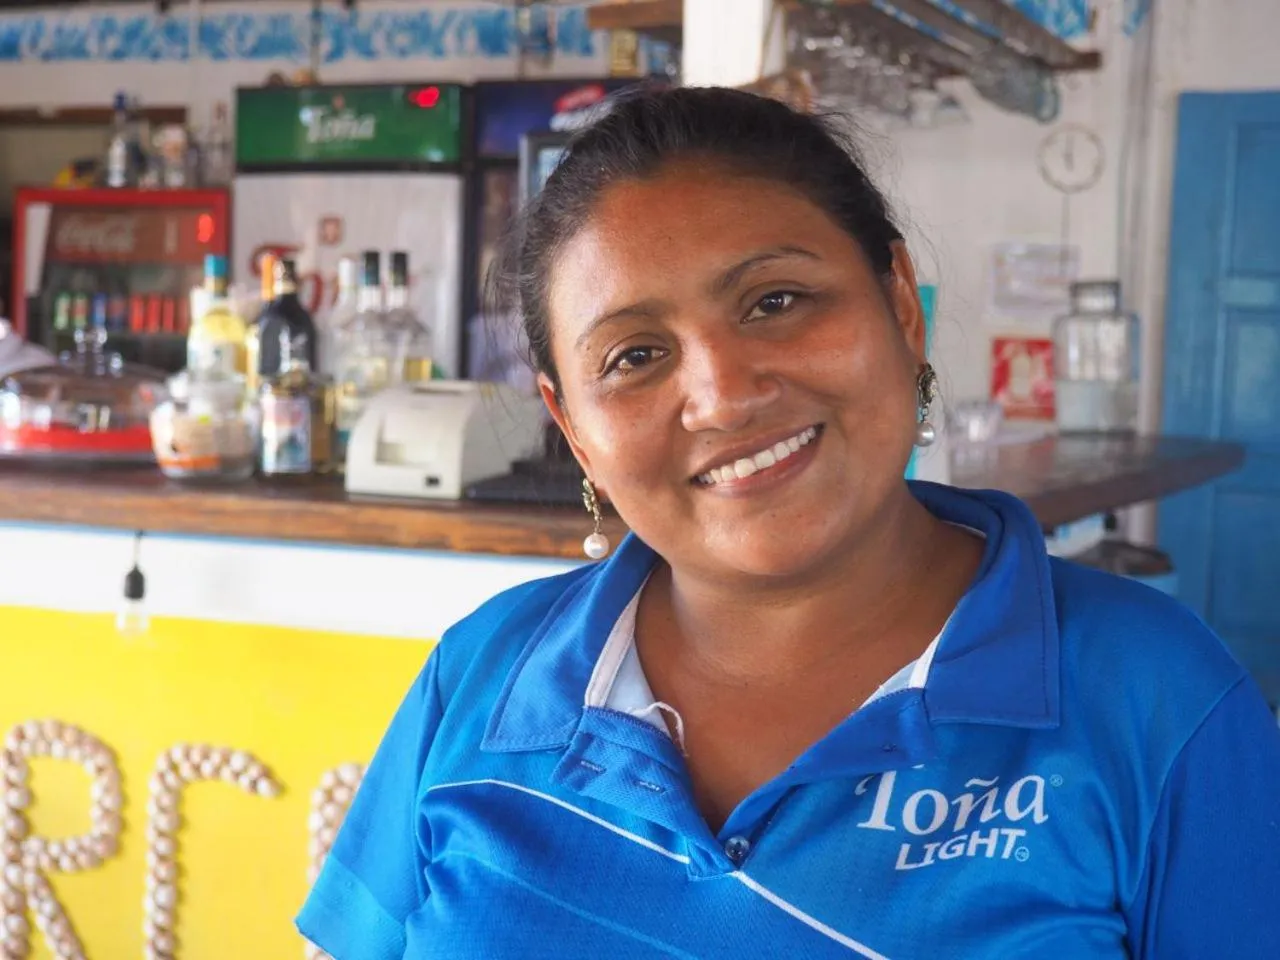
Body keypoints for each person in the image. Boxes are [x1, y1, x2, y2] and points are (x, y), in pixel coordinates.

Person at [296, 87, 1280, 959]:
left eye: (775, 300)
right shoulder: (485, 672)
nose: (721, 395)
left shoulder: (1152, 699)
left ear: (900, 310)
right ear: (574, 432)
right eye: (635, 356)